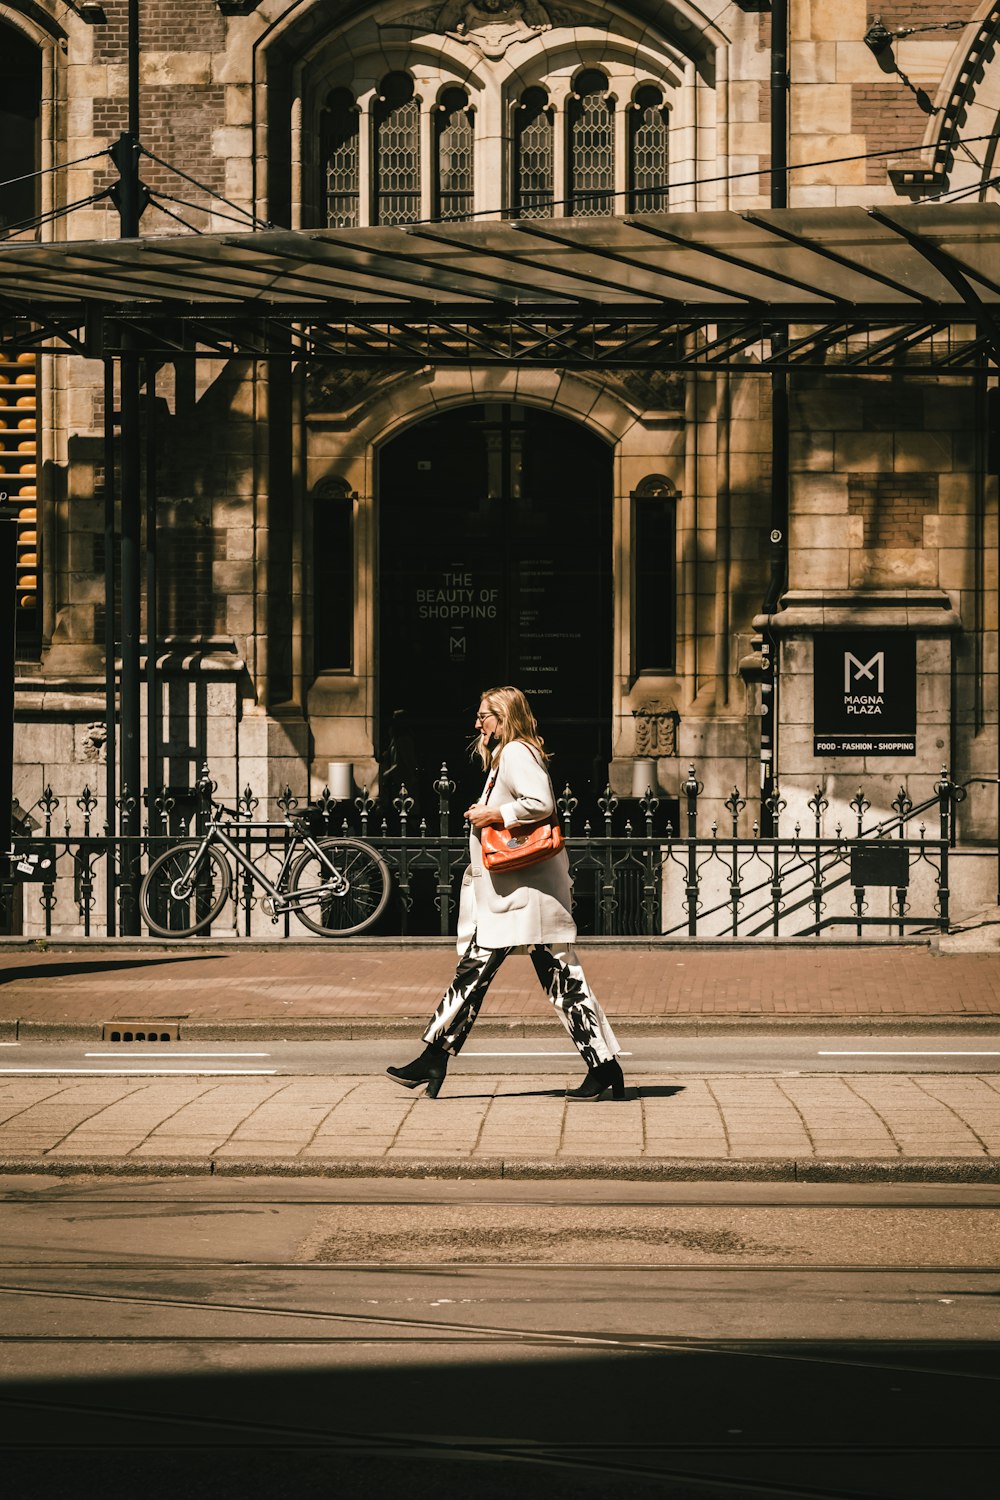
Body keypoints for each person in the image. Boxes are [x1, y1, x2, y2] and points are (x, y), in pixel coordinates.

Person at [387, 685, 626, 1101]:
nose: (477, 724)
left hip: (523, 899)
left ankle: (433, 1057)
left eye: (484, 716)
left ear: (505, 717)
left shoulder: (516, 752)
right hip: (518, 900)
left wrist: (494, 813)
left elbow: (542, 803)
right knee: (556, 980)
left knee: (490, 974)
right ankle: (604, 1067)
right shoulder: (508, 755)